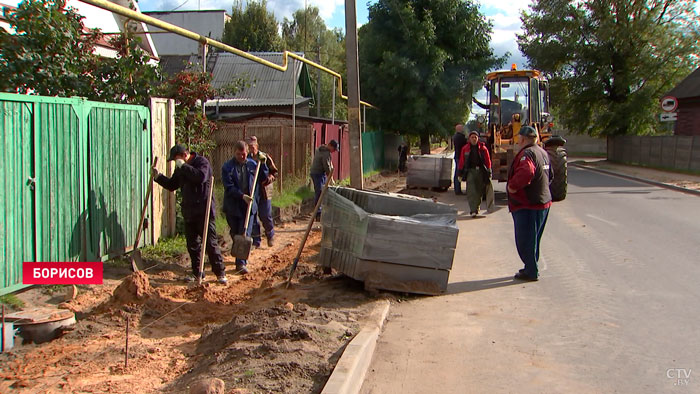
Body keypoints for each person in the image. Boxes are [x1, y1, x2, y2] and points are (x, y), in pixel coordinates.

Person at [152, 144, 227, 284]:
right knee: (192, 245)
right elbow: (172, 185)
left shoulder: (202, 162)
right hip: (189, 211)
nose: (176, 162)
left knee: (210, 243)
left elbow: (200, 177)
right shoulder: (180, 168)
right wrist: (158, 177)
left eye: (176, 159)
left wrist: (183, 166)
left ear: (183, 155)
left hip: (204, 211)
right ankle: (198, 272)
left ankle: (220, 273)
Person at [506, 125, 553, 281]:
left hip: (528, 205)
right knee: (534, 239)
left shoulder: (527, 154)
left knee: (525, 239)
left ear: (523, 139)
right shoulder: (543, 152)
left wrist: (512, 186)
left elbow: (527, 172)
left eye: (519, 138)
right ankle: (530, 267)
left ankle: (531, 271)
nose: (518, 141)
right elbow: (550, 175)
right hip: (542, 203)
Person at [221, 141, 269, 275]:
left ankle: (241, 263)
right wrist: (242, 196)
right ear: (234, 153)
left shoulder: (253, 165)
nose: (241, 157)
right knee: (235, 232)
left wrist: (263, 164)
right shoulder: (227, 167)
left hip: (248, 207)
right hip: (234, 205)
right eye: (238, 154)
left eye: (243, 154)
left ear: (247, 152)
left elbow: (264, 179)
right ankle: (237, 248)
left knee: (244, 232)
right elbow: (229, 187)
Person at [246, 136, 278, 248]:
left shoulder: (264, 157)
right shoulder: (247, 159)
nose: (251, 148)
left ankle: (270, 235)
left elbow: (274, 172)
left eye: (253, 146)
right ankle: (256, 240)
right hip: (253, 191)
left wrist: (270, 178)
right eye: (249, 146)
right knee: (253, 215)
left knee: (265, 215)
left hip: (264, 190)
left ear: (257, 146)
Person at [458, 131, 492, 217]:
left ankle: (477, 207)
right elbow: (462, 161)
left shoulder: (483, 149)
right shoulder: (465, 149)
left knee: (479, 191)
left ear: (478, 138)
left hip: (481, 171)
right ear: (469, 139)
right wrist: (460, 173)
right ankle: (473, 210)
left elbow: (488, 161)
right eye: (472, 137)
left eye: (475, 137)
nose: (474, 139)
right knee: (471, 191)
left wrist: (489, 171)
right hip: (470, 172)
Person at [309, 139, 338, 220]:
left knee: (322, 192)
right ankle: (318, 213)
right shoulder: (325, 153)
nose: (334, 151)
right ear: (330, 146)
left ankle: (321, 211)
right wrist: (330, 178)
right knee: (319, 192)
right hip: (318, 174)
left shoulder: (321, 149)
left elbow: (329, 164)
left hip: (318, 174)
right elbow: (327, 166)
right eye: (334, 149)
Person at [451, 124, 467, 195]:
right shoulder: (460, 137)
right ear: (459, 129)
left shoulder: (455, 136)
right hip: (460, 157)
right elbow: (466, 144)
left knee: (457, 173)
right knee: (459, 173)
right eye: (462, 128)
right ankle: (458, 190)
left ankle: (457, 189)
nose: (463, 129)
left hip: (457, 156)